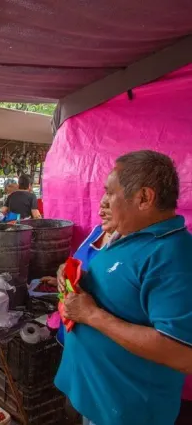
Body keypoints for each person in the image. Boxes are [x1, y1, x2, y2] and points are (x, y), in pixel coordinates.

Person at [55, 150, 192, 425]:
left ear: (144, 198)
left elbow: (181, 354)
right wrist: (66, 273)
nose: (103, 201)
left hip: (126, 412)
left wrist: (92, 315)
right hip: (94, 398)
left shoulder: (172, 255)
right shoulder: (125, 235)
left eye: (110, 192)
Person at [41, 199, 116, 346]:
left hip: (94, 342)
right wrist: (64, 279)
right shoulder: (97, 232)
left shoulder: (129, 250)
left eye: (111, 198)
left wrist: (91, 314)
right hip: (69, 334)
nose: (101, 212)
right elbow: (80, 269)